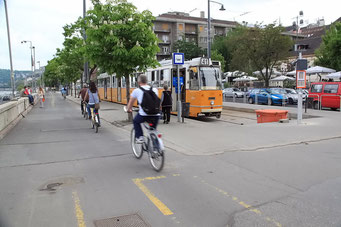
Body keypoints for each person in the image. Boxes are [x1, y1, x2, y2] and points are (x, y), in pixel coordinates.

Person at [126, 75, 160, 143]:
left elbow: (131, 102)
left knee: (135, 121)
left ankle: (140, 137)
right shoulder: (155, 89)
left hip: (144, 114)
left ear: (139, 82)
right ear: (147, 81)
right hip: (156, 114)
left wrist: (128, 109)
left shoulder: (136, 90)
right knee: (153, 130)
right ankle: (157, 148)